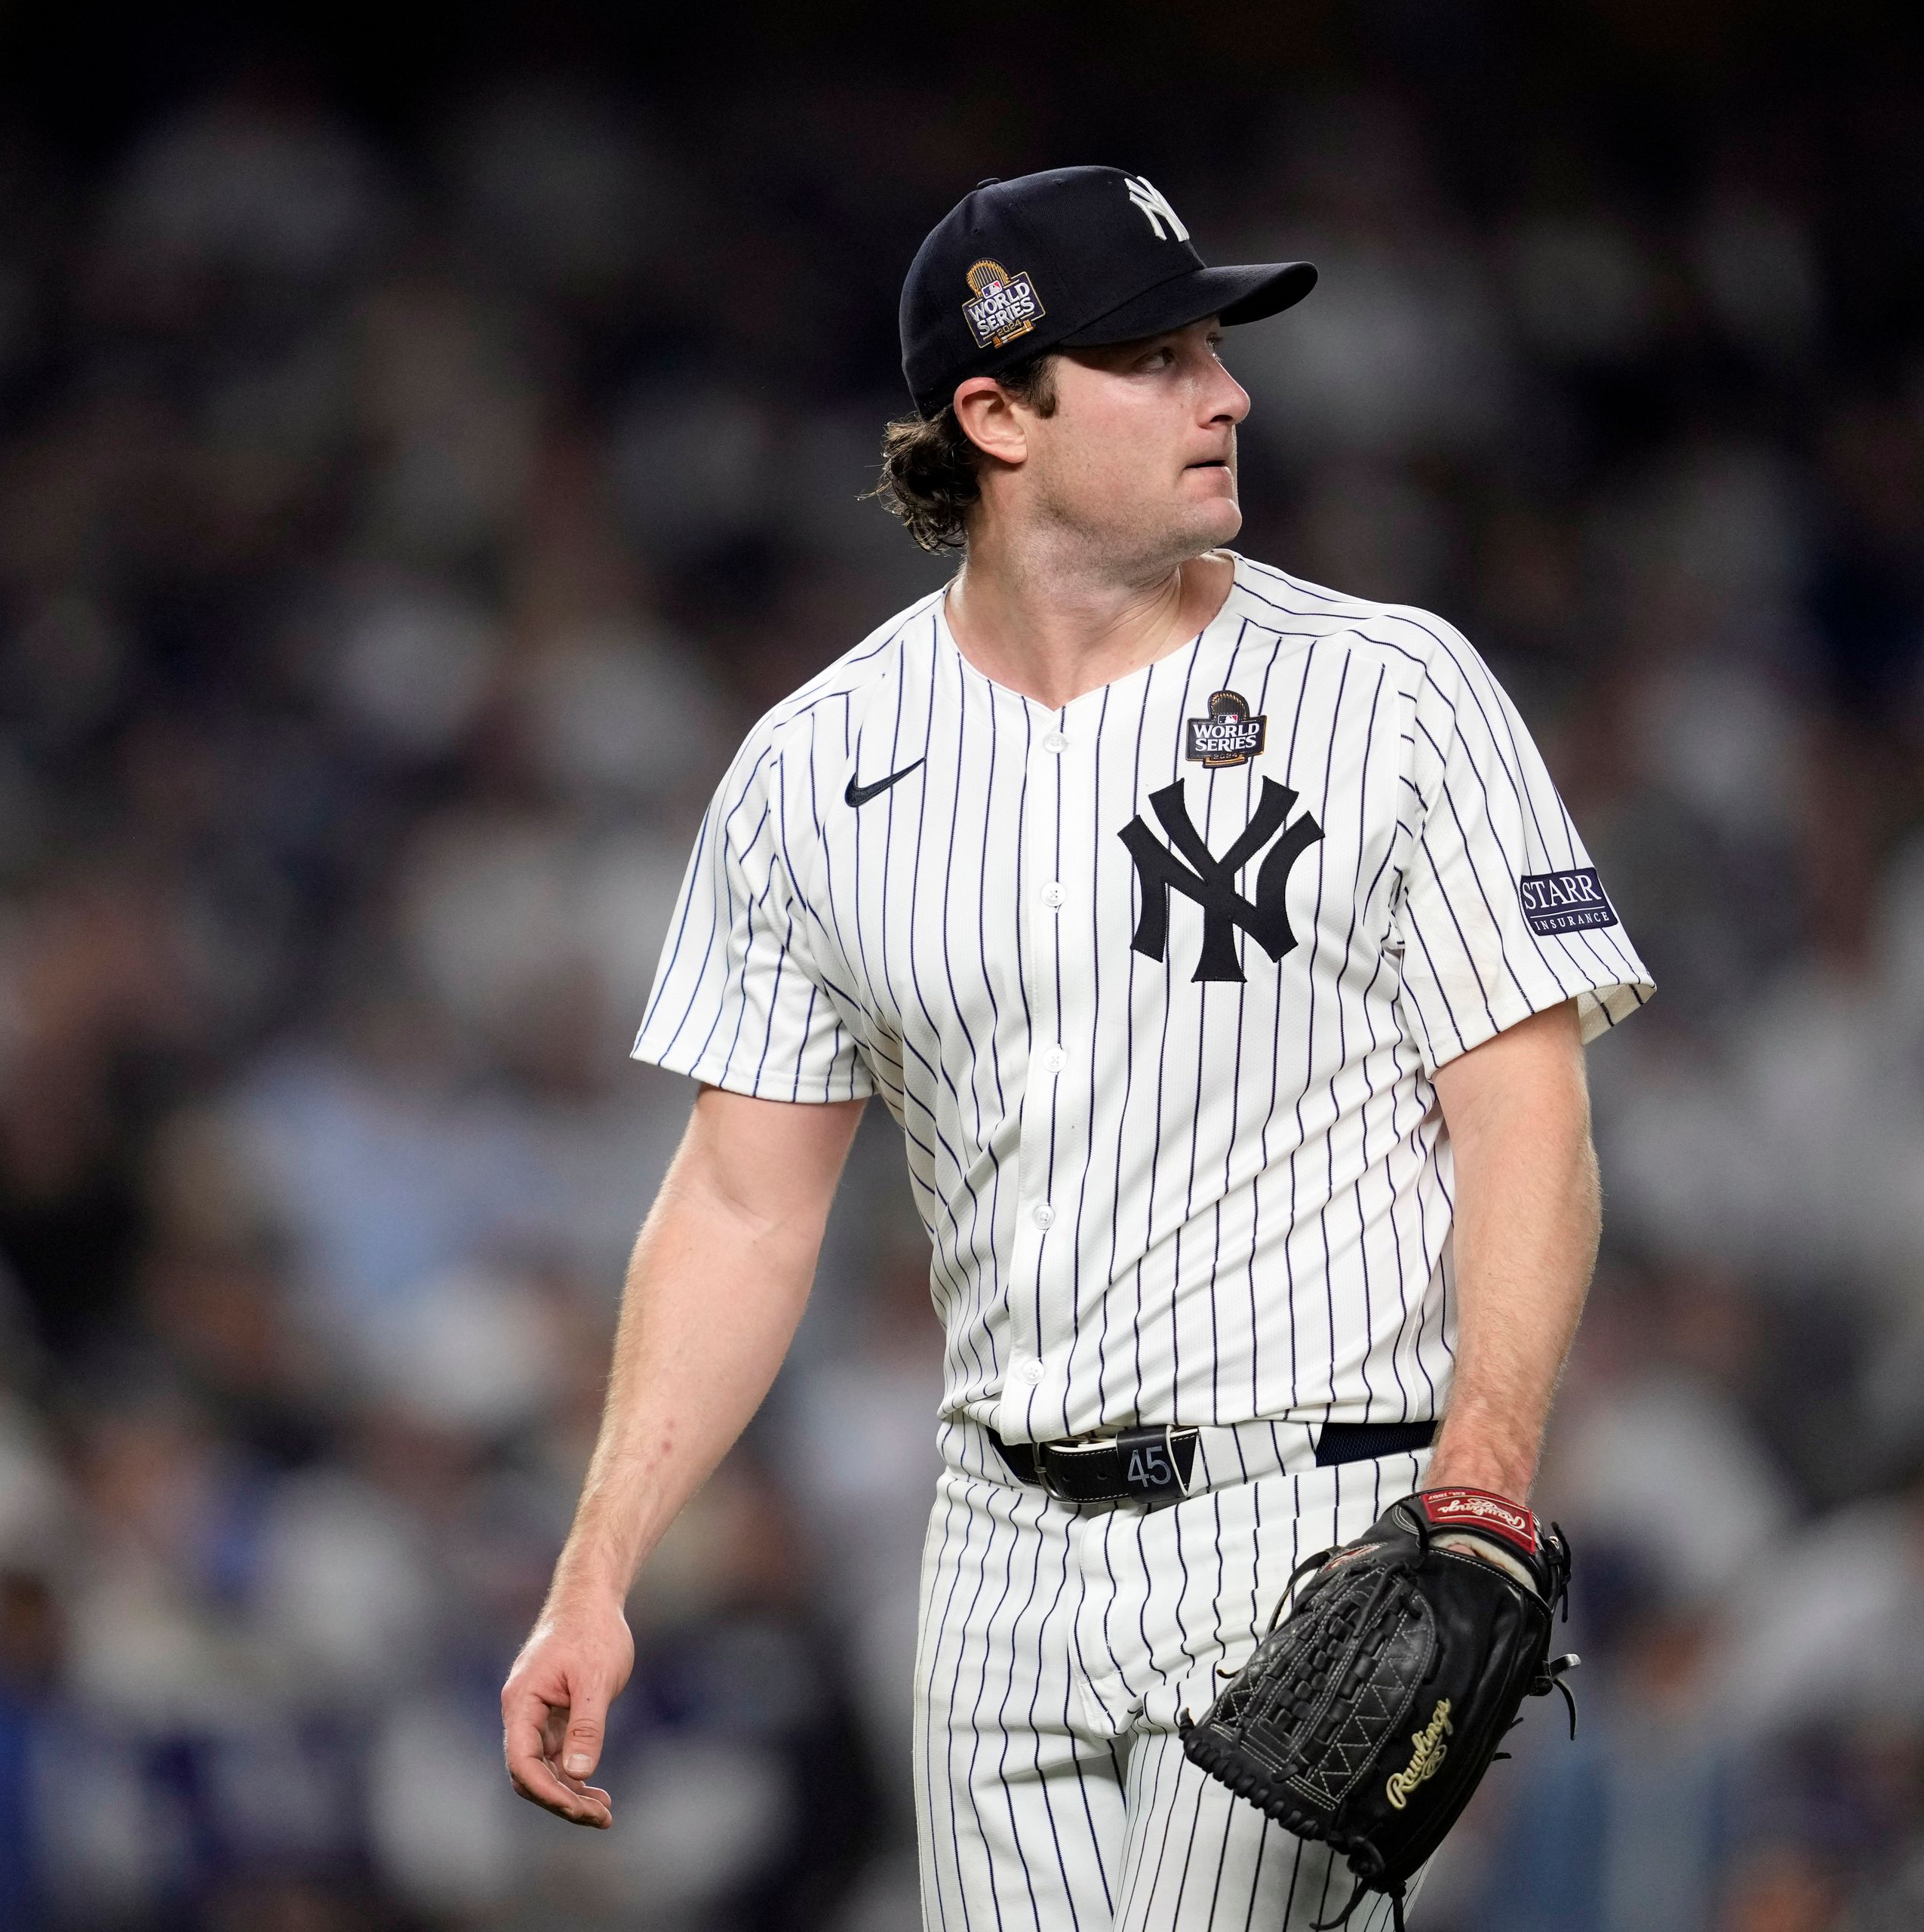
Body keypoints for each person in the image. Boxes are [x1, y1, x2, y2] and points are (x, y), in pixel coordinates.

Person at [502, 164, 1653, 1930]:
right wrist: (598, 1567)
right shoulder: (814, 770)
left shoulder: (1396, 693)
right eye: (1160, 355)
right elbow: (742, 1207)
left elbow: (1525, 1116)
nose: (1230, 391)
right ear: (996, 413)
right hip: (992, 1558)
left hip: (1312, 1518)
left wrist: (1482, 1484)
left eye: (1214, 345)